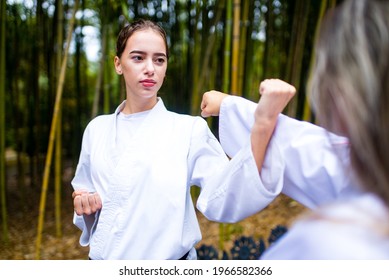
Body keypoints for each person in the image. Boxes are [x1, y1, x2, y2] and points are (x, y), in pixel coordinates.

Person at [71, 19, 295, 260]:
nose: (150, 68)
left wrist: (262, 125)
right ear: (118, 64)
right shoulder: (96, 129)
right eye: (138, 58)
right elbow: (87, 190)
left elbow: (224, 193)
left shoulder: (188, 130)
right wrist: (85, 204)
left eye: (159, 59)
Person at [200, 0, 389, 259]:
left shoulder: (333, 245)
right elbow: (306, 149)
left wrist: (257, 119)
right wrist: (235, 108)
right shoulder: (358, 170)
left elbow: (218, 201)